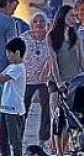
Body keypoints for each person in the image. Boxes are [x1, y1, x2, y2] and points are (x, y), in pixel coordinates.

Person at [18, 13, 52, 148]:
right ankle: (18, 137)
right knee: (23, 109)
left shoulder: (50, 39)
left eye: (42, 21)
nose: (39, 24)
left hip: (45, 79)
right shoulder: (24, 38)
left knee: (46, 108)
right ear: (31, 24)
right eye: (36, 21)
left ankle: (43, 139)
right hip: (27, 79)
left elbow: (53, 56)